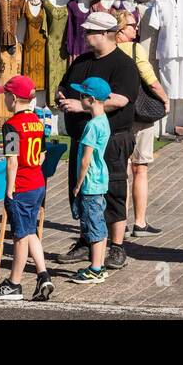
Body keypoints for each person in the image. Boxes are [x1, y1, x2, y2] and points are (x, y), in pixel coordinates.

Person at [56, 11, 139, 270]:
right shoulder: (81, 61)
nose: (85, 35)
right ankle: (87, 239)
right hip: (82, 139)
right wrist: (61, 96)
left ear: (105, 34)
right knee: (81, 189)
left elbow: (121, 99)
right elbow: (65, 84)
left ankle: (116, 246)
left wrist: (81, 108)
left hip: (111, 139)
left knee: (112, 190)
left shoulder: (123, 64)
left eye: (90, 32)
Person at [0, 75, 54, 302]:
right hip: (37, 183)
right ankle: (43, 275)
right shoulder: (37, 121)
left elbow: (12, 160)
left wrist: (9, 188)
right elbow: (42, 155)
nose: (3, 99)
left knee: (20, 236)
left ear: (13, 98)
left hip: (21, 186)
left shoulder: (11, 125)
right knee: (30, 230)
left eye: (5, 95)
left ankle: (14, 283)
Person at [113, 8, 168, 237]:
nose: (136, 29)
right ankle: (140, 223)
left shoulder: (108, 52)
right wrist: (165, 99)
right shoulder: (135, 50)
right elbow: (150, 80)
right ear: (120, 30)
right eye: (131, 26)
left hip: (117, 115)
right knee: (140, 168)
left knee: (121, 170)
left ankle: (120, 223)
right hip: (140, 115)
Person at [66, 76, 112, 284]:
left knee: (93, 226)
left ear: (91, 99)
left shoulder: (92, 126)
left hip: (90, 182)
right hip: (100, 181)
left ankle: (95, 268)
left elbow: (85, 159)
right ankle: (99, 265)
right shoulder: (103, 121)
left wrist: (77, 183)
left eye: (83, 95)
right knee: (99, 224)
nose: (80, 98)